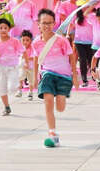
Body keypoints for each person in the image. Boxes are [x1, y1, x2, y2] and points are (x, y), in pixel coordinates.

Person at [32, 8, 79, 148]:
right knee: (48, 100)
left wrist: (75, 76)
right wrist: (35, 77)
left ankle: (61, 99)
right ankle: (52, 133)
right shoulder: (36, 43)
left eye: (49, 23)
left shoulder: (61, 40)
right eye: (44, 23)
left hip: (64, 76)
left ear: (54, 24)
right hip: (47, 73)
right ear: (38, 24)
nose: (46, 26)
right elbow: (36, 59)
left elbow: (71, 57)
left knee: (60, 107)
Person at [0, 16, 24, 115]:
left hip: (13, 67)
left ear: (9, 29)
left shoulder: (15, 41)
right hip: (0, 68)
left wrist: (23, 61)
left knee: (12, 87)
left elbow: (22, 51)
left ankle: (18, 88)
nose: (3, 30)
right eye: (1, 28)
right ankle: (6, 107)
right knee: (1, 89)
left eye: (5, 28)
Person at [16, 30, 36, 100]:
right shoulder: (20, 48)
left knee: (31, 80)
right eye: (23, 40)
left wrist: (27, 58)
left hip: (31, 67)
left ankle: (30, 93)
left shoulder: (32, 48)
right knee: (20, 77)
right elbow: (18, 56)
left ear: (31, 40)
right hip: (22, 66)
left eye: (27, 40)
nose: (25, 42)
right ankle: (19, 90)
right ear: (20, 40)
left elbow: (34, 57)